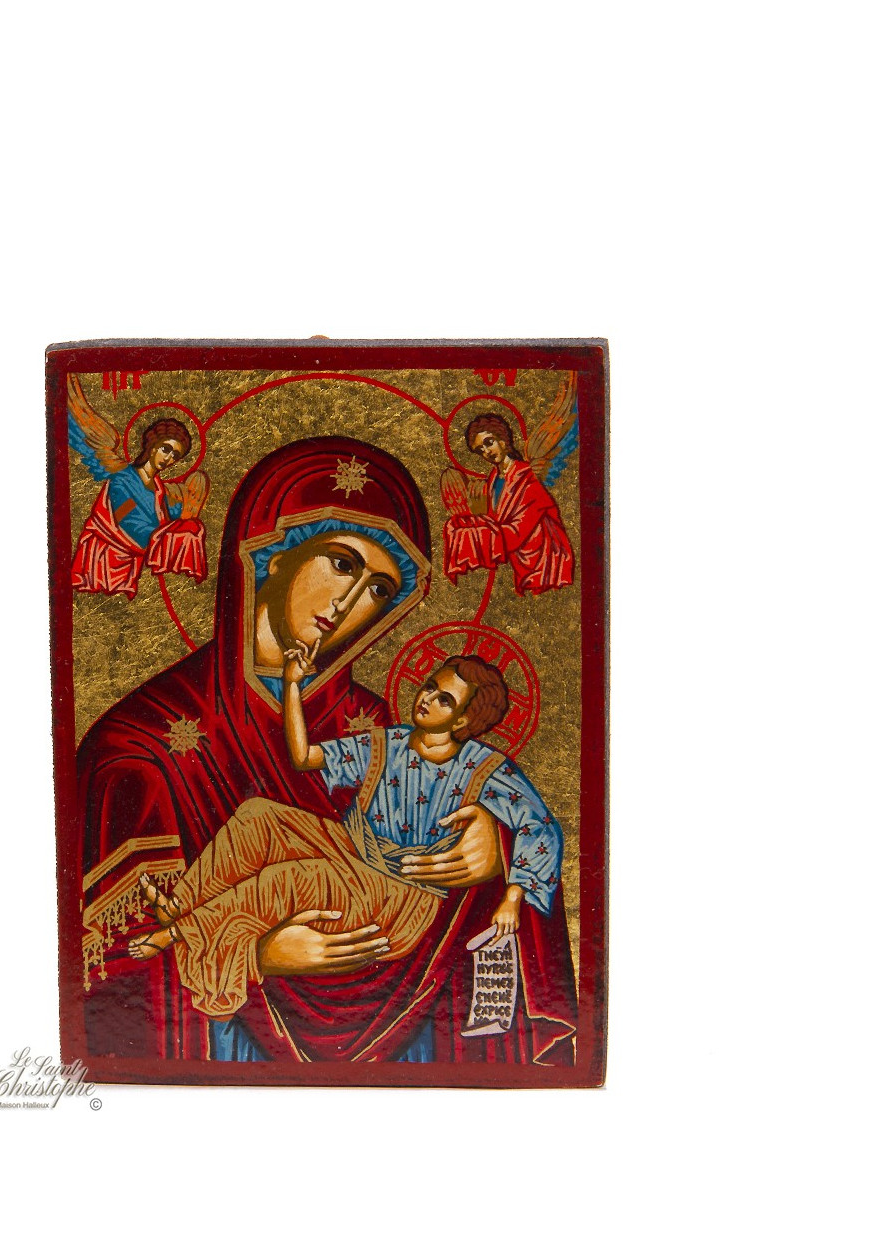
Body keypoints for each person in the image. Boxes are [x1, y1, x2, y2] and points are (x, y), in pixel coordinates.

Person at [73, 436, 576, 1065]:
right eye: (341, 562)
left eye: (379, 590)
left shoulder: (379, 721)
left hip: (390, 929)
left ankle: (187, 927)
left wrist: (495, 852)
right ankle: (184, 916)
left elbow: (522, 834)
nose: (348, 603)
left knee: (292, 874)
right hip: (228, 1043)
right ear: (272, 554)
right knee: (258, 820)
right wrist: (257, 953)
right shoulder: (140, 743)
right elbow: (107, 983)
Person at [128, 657, 562, 1032]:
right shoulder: (388, 742)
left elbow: (542, 826)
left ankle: (180, 933)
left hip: (398, 895)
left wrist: (512, 896)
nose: (427, 698)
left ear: (464, 720)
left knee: (290, 878)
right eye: (431, 686)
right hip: (352, 849)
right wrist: (292, 685)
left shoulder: (484, 768)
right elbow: (305, 758)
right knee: (258, 815)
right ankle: (180, 905)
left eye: (445, 699)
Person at [67, 374, 208, 598]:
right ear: (152, 446)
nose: (168, 458)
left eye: (175, 455)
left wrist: (189, 512)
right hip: (107, 561)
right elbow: (124, 518)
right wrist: (162, 537)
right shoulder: (123, 478)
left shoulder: (161, 492)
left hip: (134, 565)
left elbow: (171, 519)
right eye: (166, 449)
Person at [441, 412, 574, 595]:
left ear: (503, 439)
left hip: (544, 566)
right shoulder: (494, 479)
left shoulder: (527, 478)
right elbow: (496, 522)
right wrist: (465, 523)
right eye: (480, 450)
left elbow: (516, 533)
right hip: (519, 563)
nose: (487, 452)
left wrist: (470, 538)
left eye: (489, 442)